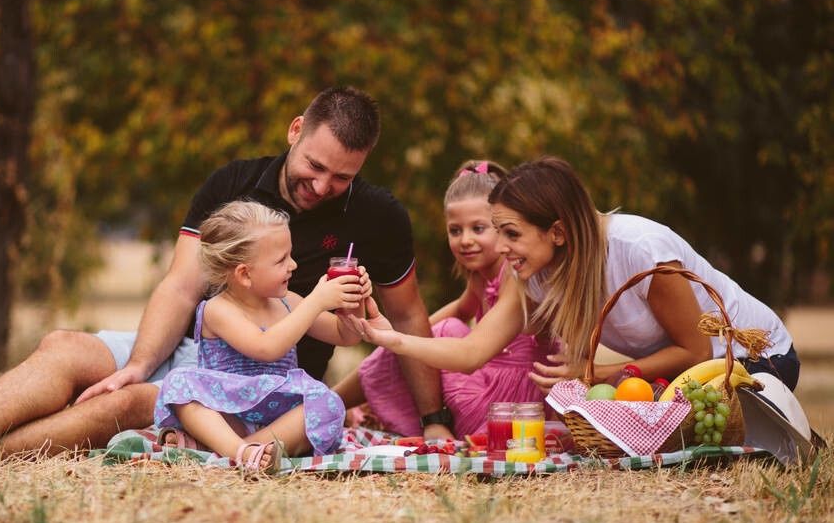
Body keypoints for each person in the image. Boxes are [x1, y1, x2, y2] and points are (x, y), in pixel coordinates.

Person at [0, 86, 440, 463]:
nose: (321, 187)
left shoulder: (378, 217)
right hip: (197, 344)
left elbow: (408, 316)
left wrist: (434, 418)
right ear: (295, 131)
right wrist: (141, 362)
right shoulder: (231, 185)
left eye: (341, 178)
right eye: (315, 167)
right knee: (66, 346)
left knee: (125, 403)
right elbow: (179, 285)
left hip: (260, 381)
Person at [344, 156, 797, 395]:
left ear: (557, 232)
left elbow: (695, 350)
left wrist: (602, 372)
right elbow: (469, 352)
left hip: (753, 364)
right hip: (676, 378)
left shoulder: (639, 251)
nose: (500, 249)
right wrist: (391, 337)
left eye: (511, 234)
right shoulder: (537, 274)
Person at [331, 161, 554, 439]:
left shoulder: (516, 273)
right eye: (455, 230)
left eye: (478, 228)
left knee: (445, 332)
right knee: (428, 335)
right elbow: (460, 310)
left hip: (513, 405)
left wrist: (410, 340)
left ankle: (329, 403)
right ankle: (330, 402)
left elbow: (460, 338)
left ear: (501, 225)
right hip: (486, 389)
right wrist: (410, 335)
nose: (465, 240)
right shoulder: (479, 277)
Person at [153, 201, 367, 471]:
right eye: (281, 260)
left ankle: (242, 449)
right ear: (244, 274)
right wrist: (316, 301)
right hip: (227, 413)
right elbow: (266, 347)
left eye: (290, 254)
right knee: (178, 383)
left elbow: (345, 335)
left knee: (329, 403)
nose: (293, 265)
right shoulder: (219, 309)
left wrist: (353, 301)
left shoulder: (289, 302)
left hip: (278, 418)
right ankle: (238, 449)